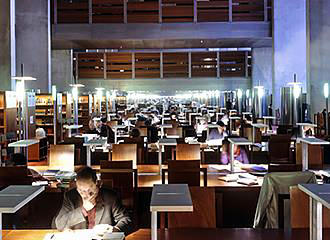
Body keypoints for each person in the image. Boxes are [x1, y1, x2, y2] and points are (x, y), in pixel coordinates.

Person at [54, 167, 132, 235]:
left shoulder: (110, 197)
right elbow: (59, 224)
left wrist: (115, 229)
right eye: (81, 191)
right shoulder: (70, 197)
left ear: (97, 184)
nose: (85, 195)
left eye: (89, 191)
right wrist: (83, 210)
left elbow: (126, 220)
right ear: (76, 186)